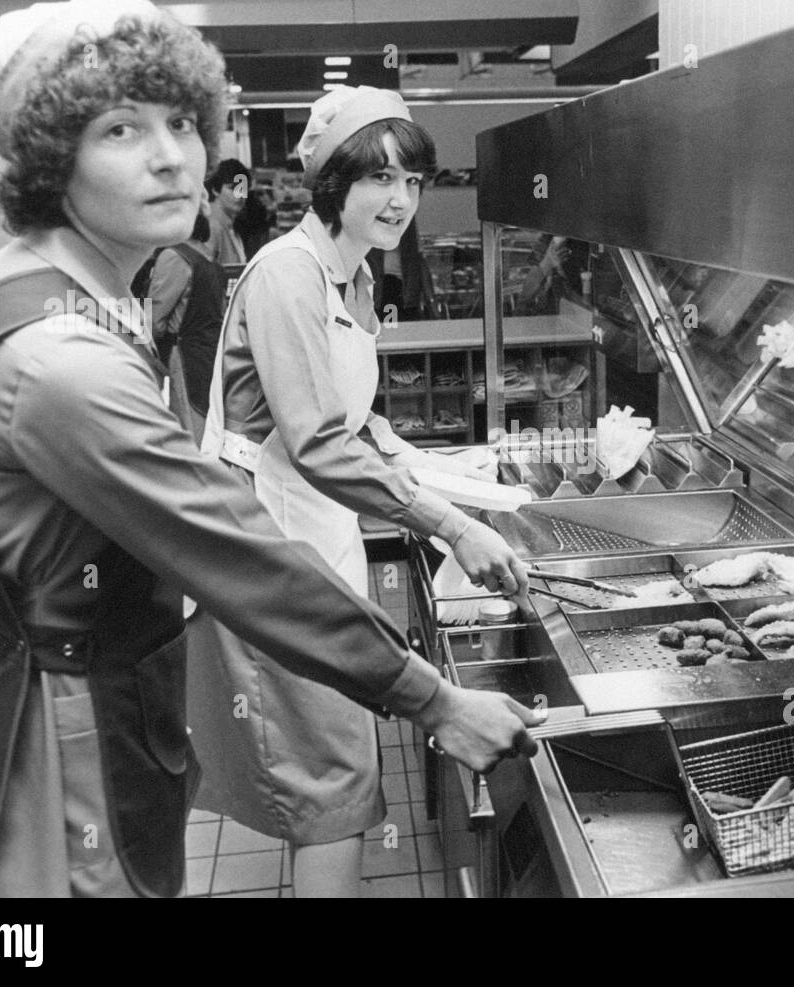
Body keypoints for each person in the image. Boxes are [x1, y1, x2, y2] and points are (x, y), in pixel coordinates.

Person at [0, 0, 542, 899]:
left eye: (181, 121)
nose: (173, 155)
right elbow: (234, 545)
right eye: (120, 128)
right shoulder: (62, 358)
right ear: (45, 154)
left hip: (100, 711)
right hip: (63, 753)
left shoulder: (77, 296)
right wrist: (435, 698)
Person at [189, 85, 531, 897]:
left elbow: (351, 415)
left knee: (335, 769)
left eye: (413, 181)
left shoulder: (355, 276)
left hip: (321, 536)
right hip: (262, 547)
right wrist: (451, 524)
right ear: (334, 183)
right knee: (335, 783)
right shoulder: (286, 276)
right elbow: (311, 440)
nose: (401, 200)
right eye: (379, 179)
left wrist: (414, 455)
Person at [143, 199, 226, 439]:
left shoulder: (173, 256)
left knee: (187, 431)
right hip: (209, 354)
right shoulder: (209, 257)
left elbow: (154, 321)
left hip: (182, 356)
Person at [203, 157, 248, 265]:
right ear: (215, 190)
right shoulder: (211, 225)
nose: (240, 194)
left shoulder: (230, 225)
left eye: (243, 188)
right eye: (233, 188)